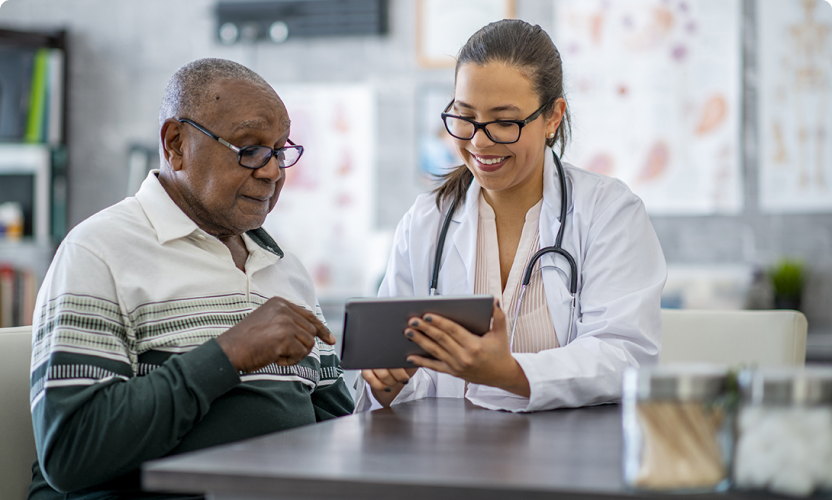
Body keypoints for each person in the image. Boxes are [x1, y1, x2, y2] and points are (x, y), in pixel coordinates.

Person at [28, 59, 354, 499]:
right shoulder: (97, 252)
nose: (273, 171)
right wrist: (229, 354)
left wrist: (383, 396)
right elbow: (70, 453)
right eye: (249, 149)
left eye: (279, 151)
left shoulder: (282, 265)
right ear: (176, 143)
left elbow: (335, 429)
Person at [357, 20, 666, 413]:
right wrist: (386, 385)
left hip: (570, 460)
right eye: (465, 117)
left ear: (553, 117)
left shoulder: (608, 213)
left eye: (505, 122)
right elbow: (390, 383)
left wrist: (509, 373)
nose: (480, 141)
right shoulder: (425, 224)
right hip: (449, 460)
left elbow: (626, 355)